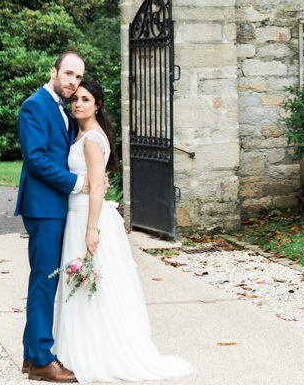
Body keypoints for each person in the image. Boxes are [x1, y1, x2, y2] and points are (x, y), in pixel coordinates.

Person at [54, 79, 193, 383]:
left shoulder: (91, 139)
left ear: (97, 105)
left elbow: (96, 191)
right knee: (88, 286)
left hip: (88, 219)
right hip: (79, 215)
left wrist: (91, 230)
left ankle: (98, 353)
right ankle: (83, 348)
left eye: (86, 99)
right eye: (75, 98)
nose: (78, 104)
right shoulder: (78, 133)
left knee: (94, 286)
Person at [15, 50, 88, 383]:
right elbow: (36, 160)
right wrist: (76, 182)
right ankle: (43, 359)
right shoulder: (34, 105)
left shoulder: (63, 109)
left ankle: (32, 356)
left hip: (55, 206)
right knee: (45, 282)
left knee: (45, 280)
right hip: (44, 208)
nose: (73, 82)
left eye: (78, 77)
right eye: (68, 74)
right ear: (54, 71)